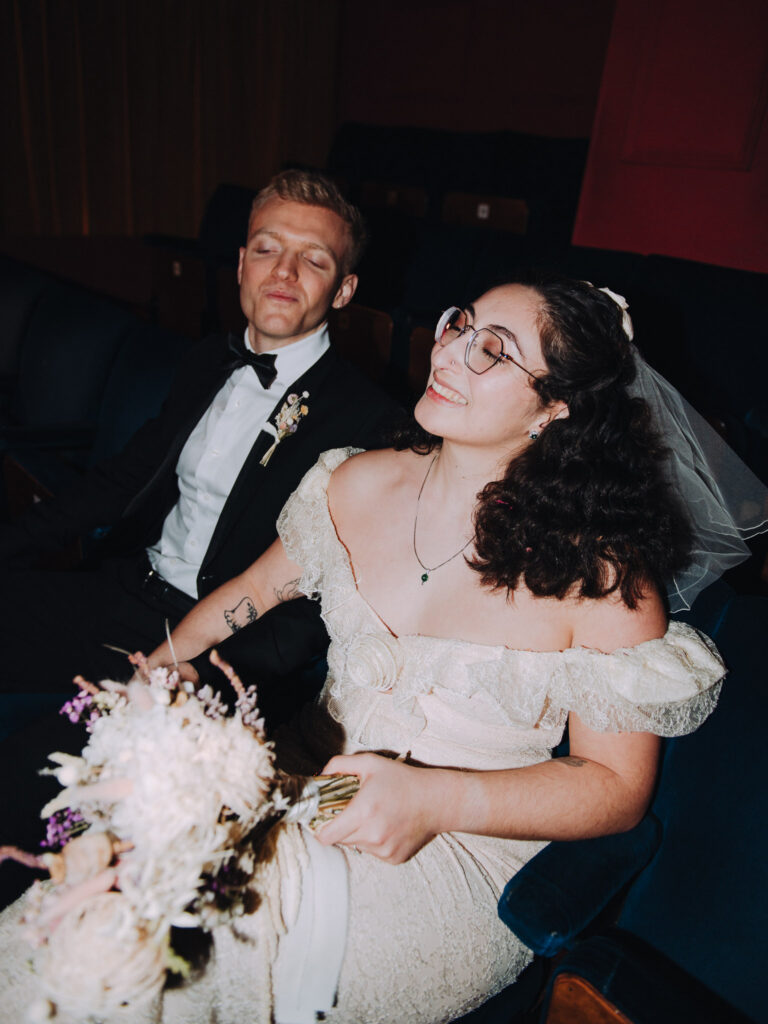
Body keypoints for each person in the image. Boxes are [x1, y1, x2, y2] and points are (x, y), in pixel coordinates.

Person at [0, 274, 742, 1022]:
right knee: (88, 912)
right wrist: (153, 677)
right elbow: (245, 597)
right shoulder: (354, 482)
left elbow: (616, 790)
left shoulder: (604, 575)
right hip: (300, 779)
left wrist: (436, 797)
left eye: (493, 350)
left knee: (177, 973)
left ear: (556, 409)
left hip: (456, 846)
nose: (449, 352)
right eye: (459, 324)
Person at [0, 170, 400, 698]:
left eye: (314, 259)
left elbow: (312, 608)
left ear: (344, 290)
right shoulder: (208, 358)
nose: (284, 271)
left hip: (222, 649)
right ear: (240, 265)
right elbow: (123, 479)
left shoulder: (367, 419)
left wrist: (210, 674)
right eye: (266, 249)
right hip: (128, 588)